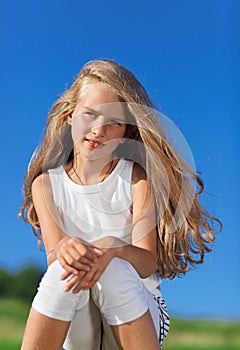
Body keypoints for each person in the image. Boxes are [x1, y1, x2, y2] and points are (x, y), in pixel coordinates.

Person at [19, 59, 221, 350]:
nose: (99, 130)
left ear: (127, 131)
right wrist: (64, 248)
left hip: (138, 308)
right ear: (69, 116)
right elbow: (55, 255)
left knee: (114, 269)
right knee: (62, 272)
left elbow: (145, 262)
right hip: (79, 314)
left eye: (113, 122)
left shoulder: (136, 180)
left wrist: (113, 247)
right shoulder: (46, 185)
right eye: (90, 115)